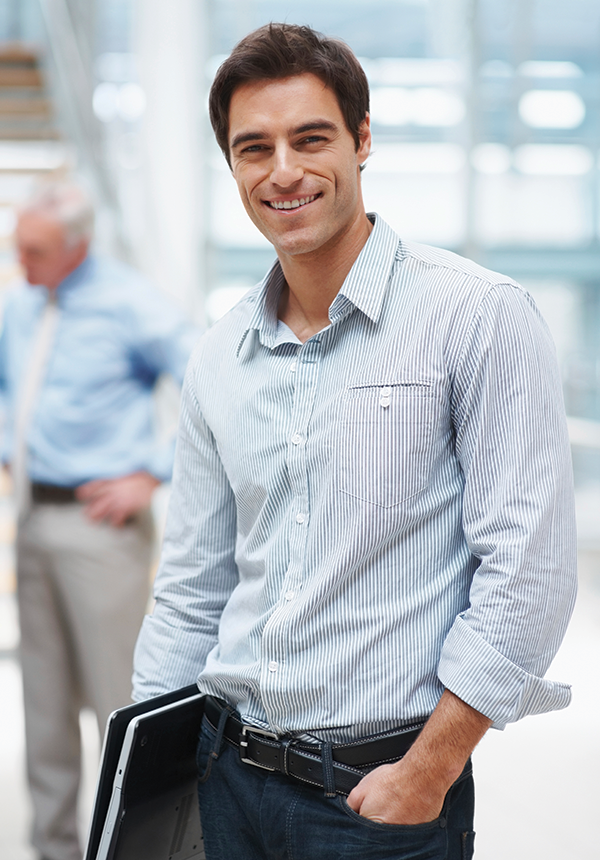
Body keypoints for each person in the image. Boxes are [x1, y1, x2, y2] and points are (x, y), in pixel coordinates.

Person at [132, 23, 577, 860]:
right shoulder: (219, 355)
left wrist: (430, 771)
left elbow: (529, 572)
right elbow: (193, 587)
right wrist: (148, 775)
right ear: (231, 165)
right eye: (253, 147)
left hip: (379, 795)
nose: (283, 171)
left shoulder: (475, 316)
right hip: (225, 779)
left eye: (311, 138)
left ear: (363, 139)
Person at [0, 181, 200, 860]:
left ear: (77, 247)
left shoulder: (129, 304)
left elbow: (210, 387)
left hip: (100, 530)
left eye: (34, 250)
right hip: (32, 521)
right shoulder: (25, 302)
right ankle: (51, 849)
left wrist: (151, 471)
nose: (19, 260)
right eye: (18, 246)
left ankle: (131, 850)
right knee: (43, 709)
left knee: (120, 704)